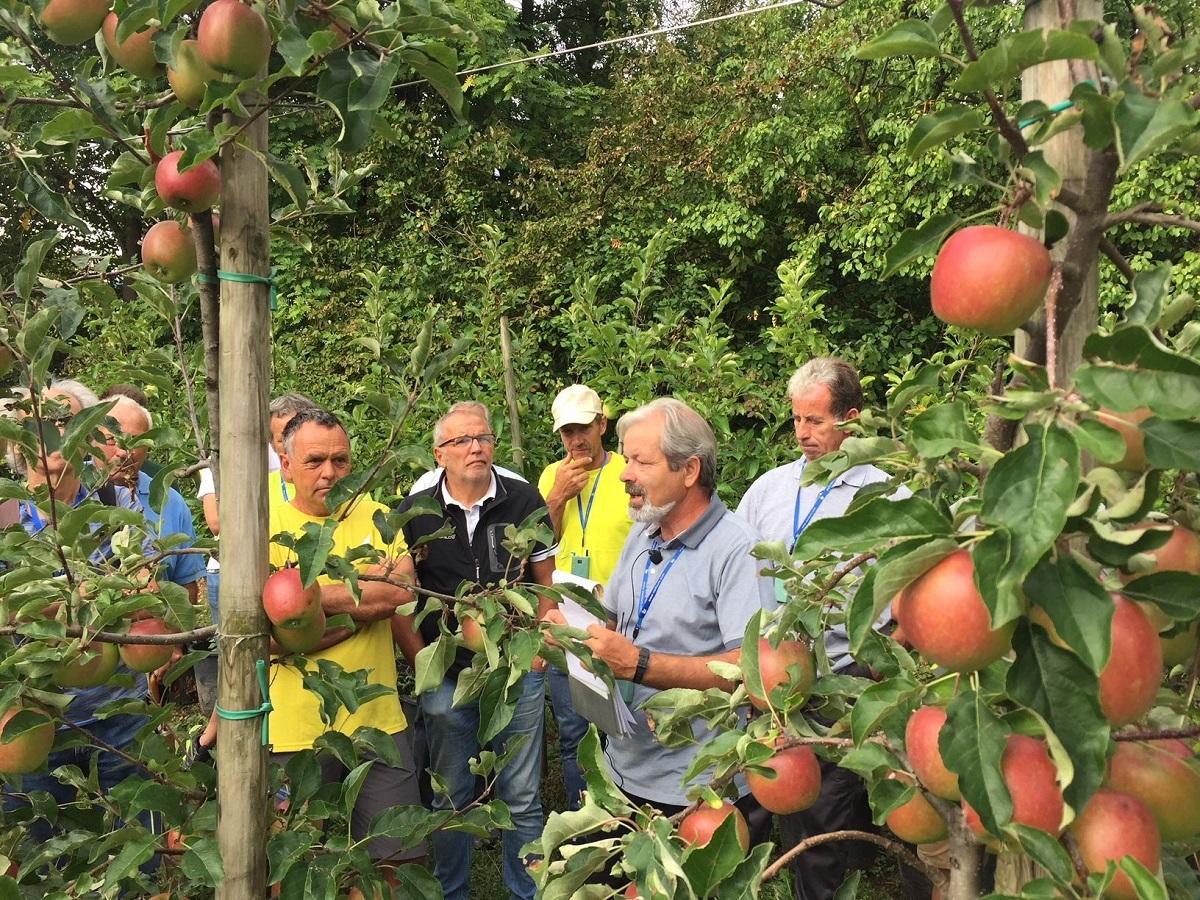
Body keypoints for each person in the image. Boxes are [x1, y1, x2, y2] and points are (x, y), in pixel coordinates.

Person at [735, 357, 912, 900]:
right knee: (777, 791)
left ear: (852, 420)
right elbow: (739, 568)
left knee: (827, 811)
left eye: (815, 421)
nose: (803, 434)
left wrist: (889, 653)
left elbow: (908, 587)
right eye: (796, 421)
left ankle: (827, 884)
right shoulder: (768, 490)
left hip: (847, 670)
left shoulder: (884, 495)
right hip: (779, 674)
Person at [568, 398, 775, 827]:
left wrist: (640, 665)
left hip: (701, 784)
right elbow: (613, 618)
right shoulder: (643, 533)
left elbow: (754, 671)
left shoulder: (739, 549)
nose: (625, 474)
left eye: (641, 462)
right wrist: (570, 632)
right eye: (626, 460)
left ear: (690, 470)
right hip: (625, 766)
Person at [395, 401, 557, 900]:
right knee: (451, 795)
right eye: (462, 441)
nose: (476, 448)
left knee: (524, 794)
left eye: (483, 438)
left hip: (515, 670)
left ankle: (526, 890)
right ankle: (451, 892)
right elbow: (403, 599)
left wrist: (535, 655)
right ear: (439, 454)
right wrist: (425, 662)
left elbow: (546, 584)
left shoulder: (524, 499)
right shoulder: (415, 510)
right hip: (448, 674)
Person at [266, 407, 426, 872]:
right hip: (294, 730)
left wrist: (305, 597)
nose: (330, 472)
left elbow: (400, 593)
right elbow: (271, 640)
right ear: (286, 463)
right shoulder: (264, 526)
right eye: (315, 461)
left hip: (377, 722)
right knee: (291, 863)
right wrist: (364, 592)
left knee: (400, 863)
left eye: (340, 460)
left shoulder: (377, 517)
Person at [3, 382, 151, 840]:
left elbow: (146, 592)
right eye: (36, 427)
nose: (49, 439)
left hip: (118, 713)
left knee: (138, 856)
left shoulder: (118, 506)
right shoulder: (4, 516)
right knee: (35, 858)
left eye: (63, 423)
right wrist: (84, 594)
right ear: (15, 441)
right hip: (26, 719)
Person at [536, 384, 632, 809]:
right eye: (567, 432)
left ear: (602, 425)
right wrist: (556, 498)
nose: (576, 441)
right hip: (569, 626)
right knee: (575, 730)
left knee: (626, 726)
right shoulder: (550, 477)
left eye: (584, 429)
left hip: (622, 623)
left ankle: (627, 819)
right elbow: (538, 545)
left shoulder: (629, 472)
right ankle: (586, 820)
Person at [95, 396, 205, 604]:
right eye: (111, 439)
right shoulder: (71, 491)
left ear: (148, 447)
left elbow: (187, 588)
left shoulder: (169, 502)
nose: (123, 452)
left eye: (135, 441)